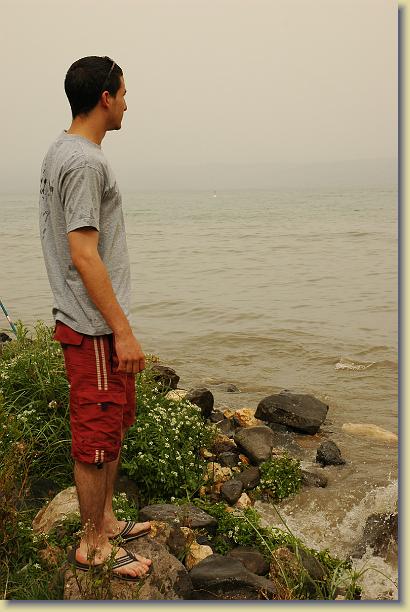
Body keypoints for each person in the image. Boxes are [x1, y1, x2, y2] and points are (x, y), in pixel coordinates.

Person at [39, 56, 152, 581]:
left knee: (112, 422)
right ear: (105, 97)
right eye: (124, 93)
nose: (128, 103)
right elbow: (84, 254)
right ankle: (93, 545)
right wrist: (122, 330)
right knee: (96, 435)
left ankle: (105, 520)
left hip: (96, 322)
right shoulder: (84, 162)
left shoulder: (64, 150)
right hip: (93, 326)